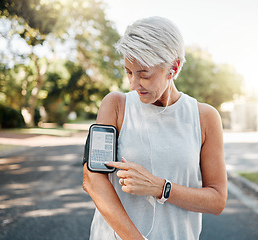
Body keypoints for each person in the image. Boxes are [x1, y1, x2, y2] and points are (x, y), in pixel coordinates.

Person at [82, 16, 227, 240]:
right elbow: (93, 180)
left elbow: (217, 200)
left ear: (174, 67)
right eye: (129, 72)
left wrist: (160, 187)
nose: (133, 84)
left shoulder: (205, 118)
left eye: (144, 75)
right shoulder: (116, 106)